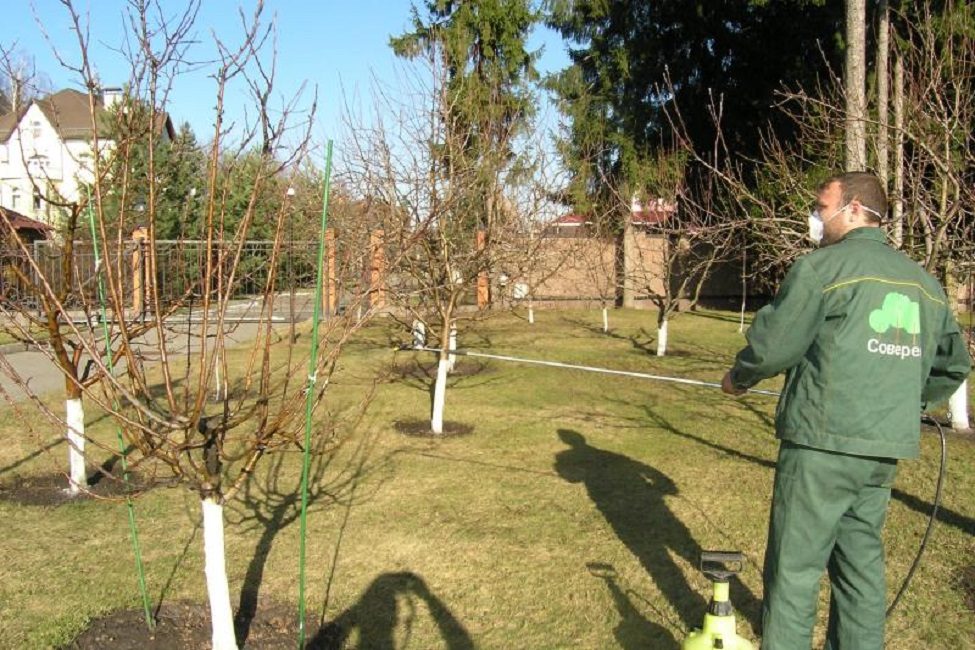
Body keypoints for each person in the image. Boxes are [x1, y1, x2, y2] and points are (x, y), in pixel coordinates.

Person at [720, 172, 971, 649]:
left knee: (794, 569)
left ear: (854, 208)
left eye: (821, 206)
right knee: (860, 568)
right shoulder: (924, 284)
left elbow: (773, 345)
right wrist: (905, 401)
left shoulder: (822, 270)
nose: (816, 217)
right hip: (881, 450)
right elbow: (954, 364)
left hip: (821, 444)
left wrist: (739, 377)